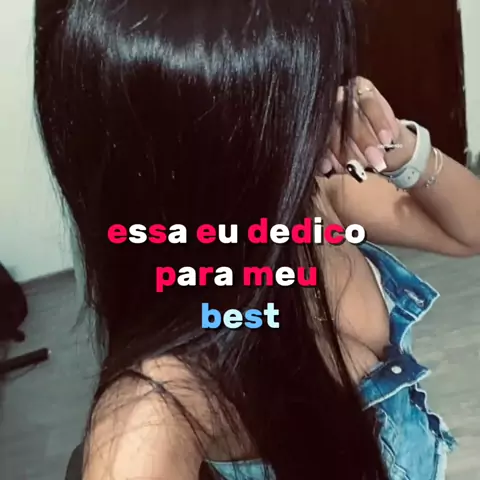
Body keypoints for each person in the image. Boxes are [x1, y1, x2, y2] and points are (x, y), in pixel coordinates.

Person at [33, 0, 480, 479]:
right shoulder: (160, 401)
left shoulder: (312, 197)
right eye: (308, 83)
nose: (331, 96)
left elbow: (468, 230)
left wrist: (399, 147)